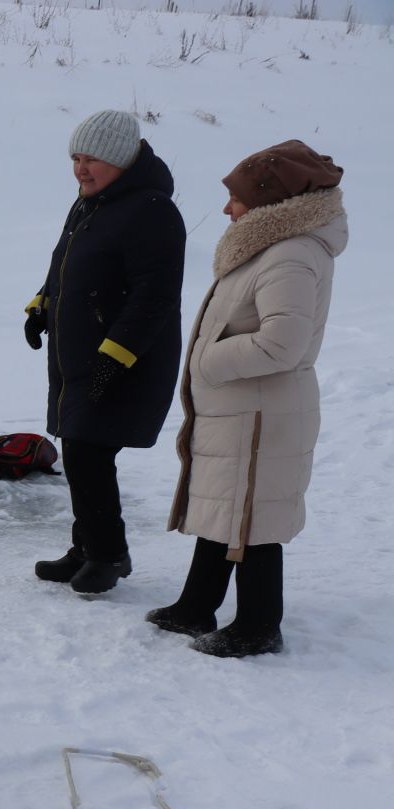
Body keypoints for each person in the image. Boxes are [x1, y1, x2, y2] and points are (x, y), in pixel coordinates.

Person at [152, 141, 346, 659]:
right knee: (224, 503)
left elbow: (283, 343)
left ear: (267, 202)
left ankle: (260, 624)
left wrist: (206, 361)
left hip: (264, 409)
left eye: (235, 198)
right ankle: (198, 605)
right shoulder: (267, 246)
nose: (226, 209)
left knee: (254, 520)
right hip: (241, 406)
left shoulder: (292, 253)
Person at [25, 108, 185, 595]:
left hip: (123, 360)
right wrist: (41, 305)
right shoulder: (90, 203)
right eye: (75, 157)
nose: (80, 168)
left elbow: (154, 296)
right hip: (79, 355)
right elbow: (65, 265)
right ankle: (89, 546)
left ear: (119, 158)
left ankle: (108, 554)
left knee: (88, 452)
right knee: (78, 449)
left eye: (91, 158)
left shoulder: (152, 210)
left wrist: (114, 358)